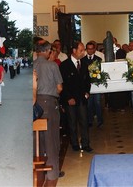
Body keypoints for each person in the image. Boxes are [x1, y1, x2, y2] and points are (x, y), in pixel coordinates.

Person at [34, 39, 64, 183]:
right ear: (47, 51)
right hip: (49, 102)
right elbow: (59, 88)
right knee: (51, 137)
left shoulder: (32, 65)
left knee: (37, 138)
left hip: (33, 104)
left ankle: (37, 173)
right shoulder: (52, 65)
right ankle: (52, 173)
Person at [60, 41, 92, 152]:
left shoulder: (84, 63)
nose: (83, 53)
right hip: (70, 99)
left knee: (84, 121)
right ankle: (74, 143)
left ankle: (85, 143)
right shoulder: (64, 65)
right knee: (72, 122)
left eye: (83, 50)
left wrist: (87, 91)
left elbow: (87, 80)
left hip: (82, 98)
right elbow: (63, 84)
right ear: (74, 51)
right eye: (81, 50)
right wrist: (68, 98)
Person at [83, 42, 103, 128]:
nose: (90, 50)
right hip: (87, 85)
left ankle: (100, 121)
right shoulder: (83, 60)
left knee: (98, 103)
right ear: (86, 49)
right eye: (88, 49)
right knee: (89, 103)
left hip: (96, 84)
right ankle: (89, 120)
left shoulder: (98, 59)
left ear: (94, 49)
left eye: (92, 49)